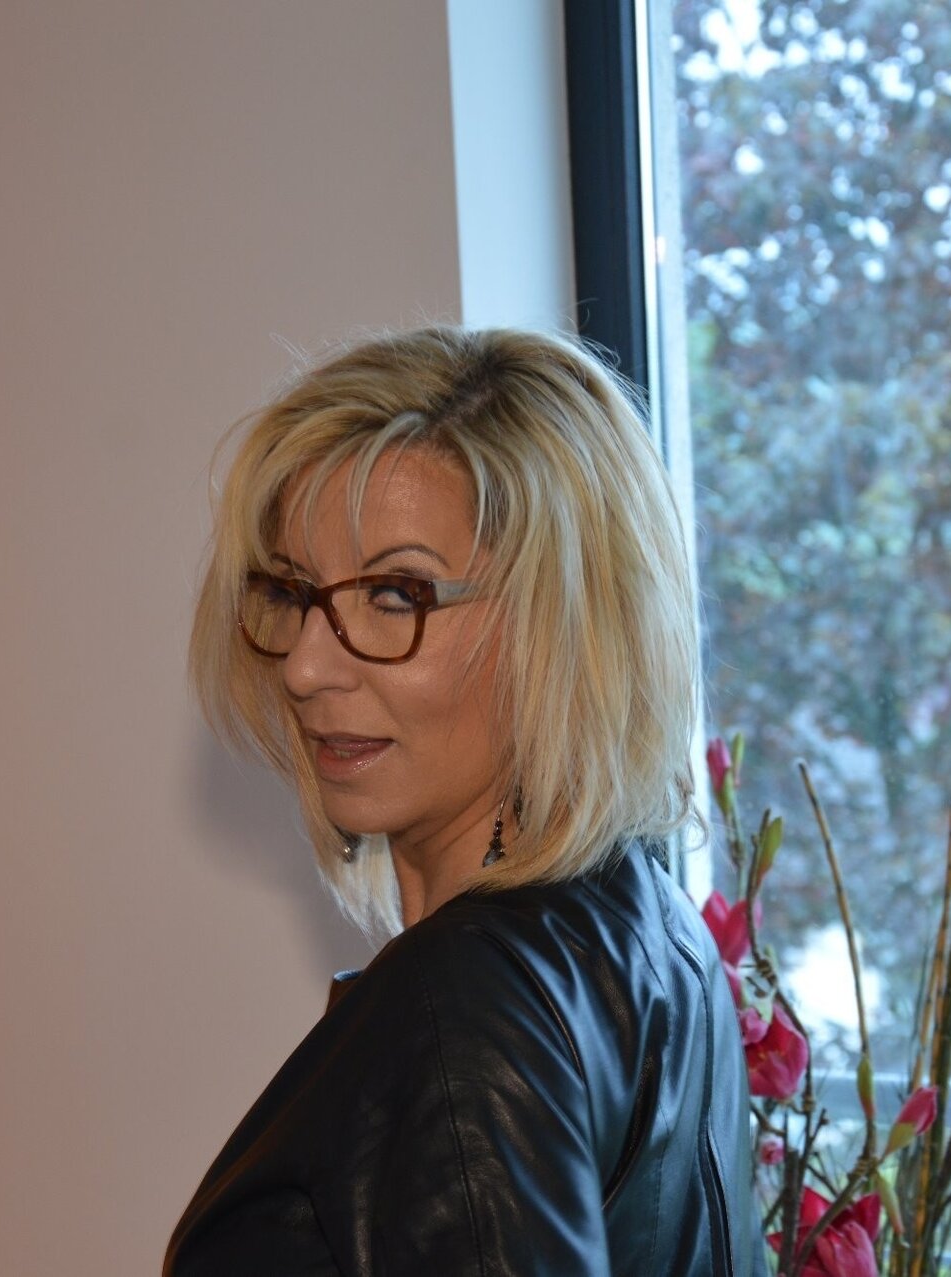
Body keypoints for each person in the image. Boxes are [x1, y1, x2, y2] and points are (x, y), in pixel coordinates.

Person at [166, 324, 767, 1275]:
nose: (308, 667)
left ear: (560, 625)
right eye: (293, 591)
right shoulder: (660, 931)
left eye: (395, 595)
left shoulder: (464, 999)